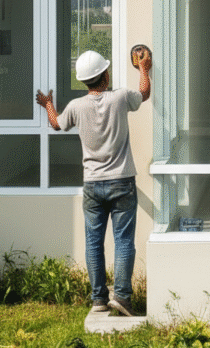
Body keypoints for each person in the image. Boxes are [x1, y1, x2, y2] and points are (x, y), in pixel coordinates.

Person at [36, 47, 151, 316]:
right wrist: (143, 68)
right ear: (106, 75)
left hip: (92, 185)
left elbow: (56, 124)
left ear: (84, 80)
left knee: (93, 242)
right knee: (123, 241)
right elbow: (143, 93)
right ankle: (121, 297)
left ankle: (99, 299)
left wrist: (48, 105)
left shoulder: (76, 107)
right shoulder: (120, 98)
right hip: (122, 181)